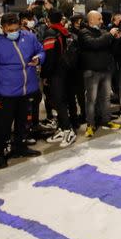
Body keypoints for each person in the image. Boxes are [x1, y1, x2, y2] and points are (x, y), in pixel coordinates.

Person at [0, 13, 44, 169]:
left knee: (23, 122)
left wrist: (39, 58)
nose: (13, 32)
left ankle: (20, 147)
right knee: (2, 126)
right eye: (10, 30)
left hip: (26, 90)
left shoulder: (28, 37)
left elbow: (41, 51)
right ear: (3, 28)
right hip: (4, 94)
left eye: (16, 29)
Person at [80, 10, 121, 138]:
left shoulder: (103, 32)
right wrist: (110, 35)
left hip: (105, 70)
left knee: (105, 99)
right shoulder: (84, 33)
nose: (102, 21)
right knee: (91, 100)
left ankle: (106, 120)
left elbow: (111, 50)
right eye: (99, 19)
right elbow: (95, 44)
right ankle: (90, 125)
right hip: (91, 71)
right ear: (91, 20)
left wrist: (116, 40)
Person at [41, 10, 77, 148]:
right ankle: (63, 128)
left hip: (56, 73)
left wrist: (45, 75)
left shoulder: (50, 33)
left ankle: (68, 130)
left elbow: (49, 57)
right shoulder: (66, 32)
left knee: (58, 101)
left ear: (48, 20)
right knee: (65, 100)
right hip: (68, 71)